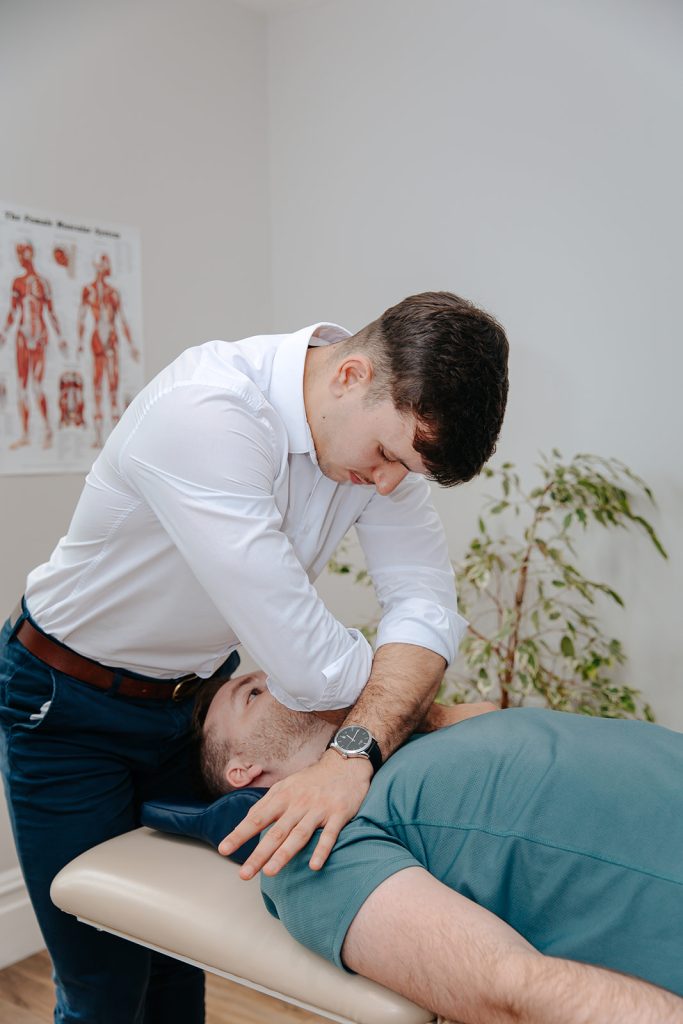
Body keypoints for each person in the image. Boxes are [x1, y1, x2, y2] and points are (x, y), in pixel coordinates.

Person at [0, 291, 508, 1023]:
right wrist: (425, 711)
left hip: (192, 707)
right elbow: (307, 665)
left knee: (177, 970)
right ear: (350, 375)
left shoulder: (378, 452)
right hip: (64, 701)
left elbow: (426, 608)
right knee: (102, 986)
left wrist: (376, 718)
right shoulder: (207, 413)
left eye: (409, 472)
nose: (391, 483)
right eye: (389, 456)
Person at [196, 670, 683, 1024]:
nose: (285, 679)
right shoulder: (306, 844)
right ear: (242, 770)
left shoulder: (417, 740)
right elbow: (511, 988)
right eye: (254, 693)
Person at [0, 241, 68, 450]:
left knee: (36, 386)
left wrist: (60, 337)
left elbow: (50, 311)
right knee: (21, 386)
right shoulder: (17, 282)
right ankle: (26, 433)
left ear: (29, 254)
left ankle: (47, 429)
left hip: (39, 337)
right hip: (22, 335)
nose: (20, 257)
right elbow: (13, 311)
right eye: (18, 253)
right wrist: (4, 333)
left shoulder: (43, 282)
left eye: (22, 253)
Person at [76, 252, 140, 447]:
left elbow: (122, 319)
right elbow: (81, 317)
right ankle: (98, 436)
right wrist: (78, 342)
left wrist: (131, 345)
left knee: (112, 387)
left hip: (111, 340)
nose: (105, 267)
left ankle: (114, 440)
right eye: (102, 264)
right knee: (97, 386)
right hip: (97, 341)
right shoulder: (88, 290)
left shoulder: (113, 293)